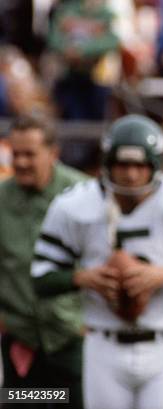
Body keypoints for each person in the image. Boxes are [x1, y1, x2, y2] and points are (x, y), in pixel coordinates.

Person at [30, 114, 163, 409]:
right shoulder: (77, 205)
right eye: (122, 164)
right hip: (103, 344)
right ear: (107, 164)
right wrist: (83, 278)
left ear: (155, 164)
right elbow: (41, 278)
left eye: (139, 165)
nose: (130, 175)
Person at [0, 114, 88, 408]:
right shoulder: (1, 198)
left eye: (30, 154)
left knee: (76, 403)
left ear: (53, 153)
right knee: (20, 404)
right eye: (16, 154)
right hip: (21, 341)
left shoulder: (82, 194)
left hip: (72, 339)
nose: (21, 163)